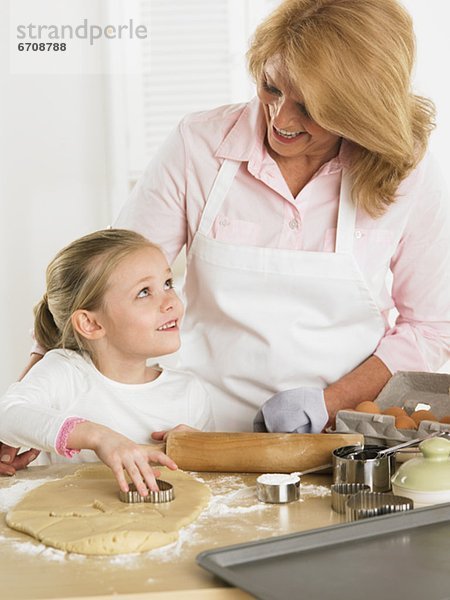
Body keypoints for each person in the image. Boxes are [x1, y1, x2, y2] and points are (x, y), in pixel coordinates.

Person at [2, 0, 449, 469]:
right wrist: (31, 400)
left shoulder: (406, 173)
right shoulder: (201, 146)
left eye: (312, 109)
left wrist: (328, 402)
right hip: (195, 430)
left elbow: (431, 326)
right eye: (271, 88)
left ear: (362, 109)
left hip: (338, 442)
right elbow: (105, 278)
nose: (281, 120)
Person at [0, 229, 213, 493]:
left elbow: (207, 485)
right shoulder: (66, 372)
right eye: (144, 292)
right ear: (90, 323)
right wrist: (98, 437)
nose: (170, 301)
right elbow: (6, 415)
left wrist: (201, 448)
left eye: (167, 283)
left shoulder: (189, 393)